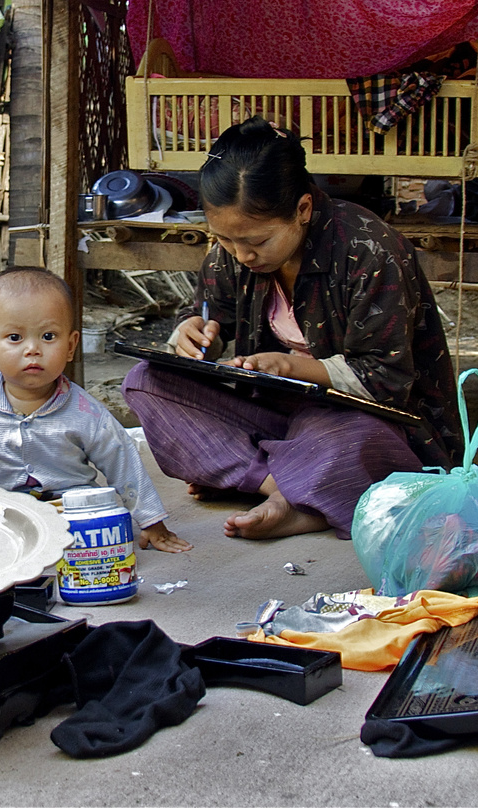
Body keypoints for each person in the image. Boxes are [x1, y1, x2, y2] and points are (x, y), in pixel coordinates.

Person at [122, 117, 459, 540]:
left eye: (258, 242)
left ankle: (273, 482)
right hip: (278, 412)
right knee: (145, 382)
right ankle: (281, 484)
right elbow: (212, 317)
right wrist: (191, 334)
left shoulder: (368, 251)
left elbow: (386, 381)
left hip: (364, 420)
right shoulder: (231, 253)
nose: (241, 255)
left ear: (302, 209)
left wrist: (291, 366)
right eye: (225, 240)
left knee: (349, 442)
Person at [0, 268, 190, 553]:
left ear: (71, 346)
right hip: (3, 507)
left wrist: (151, 520)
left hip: (69, 507)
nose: (33, 349)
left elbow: (122, 460)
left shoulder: (85, 412)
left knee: (104, 510)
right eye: (15, 338)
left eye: (48, 336)